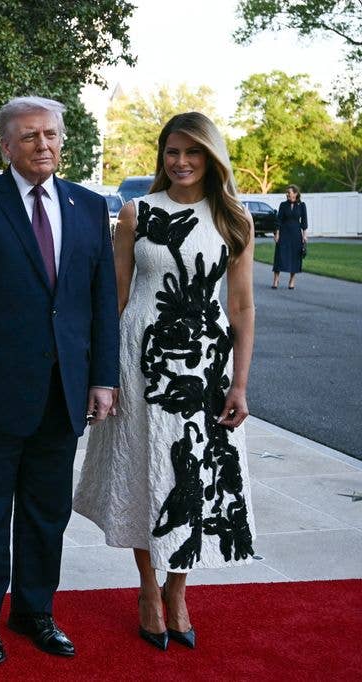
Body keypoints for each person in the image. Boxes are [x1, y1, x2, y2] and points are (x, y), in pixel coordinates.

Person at [0, 96, 119, 665]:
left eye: (52, 135)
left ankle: (35, 611)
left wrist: (103, 379)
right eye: (31, 137)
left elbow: (100, 302)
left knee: (46, 513)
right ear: (6, 145)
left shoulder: (88, 208)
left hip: (64, 391)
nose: (44, 146)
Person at [73, 111, 258, 651]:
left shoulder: (233, 219)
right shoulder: (137, 214)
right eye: (172, 152)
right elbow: (116, 299)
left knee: (194, 477)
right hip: (139, 360)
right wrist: (102, 374)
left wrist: (240, 385)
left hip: (207, 368)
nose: (180, 162)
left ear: (211, 157)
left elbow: (243, 307)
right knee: (144, 473)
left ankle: (179, 590)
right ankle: (149, 589)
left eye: (192, 152)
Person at [271, 185, 308, 289]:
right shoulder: (283, 205)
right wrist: (277, 234)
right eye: (286, 192)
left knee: (295, 257)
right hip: (284, 233)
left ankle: (292, 281)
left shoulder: (302, 205)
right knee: (279, 255)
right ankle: (276, 280)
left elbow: (304, 222)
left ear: (295, 193)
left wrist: (304, 236)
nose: (287, 194)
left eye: (289, 192)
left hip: (296, 234)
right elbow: (279, 220)